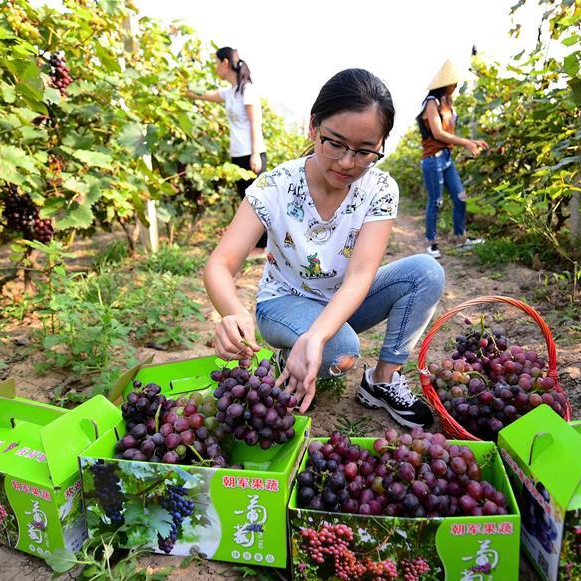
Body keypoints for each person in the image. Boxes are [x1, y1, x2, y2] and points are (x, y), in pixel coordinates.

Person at [203, 68, 444, 429]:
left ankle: (381, 380)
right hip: (284, 301)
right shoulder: (276, 187)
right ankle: (286, 360)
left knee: (426, 272)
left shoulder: (379, 189)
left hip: (344, 299)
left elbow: (362, 274)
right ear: (313, 127)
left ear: (381, 147)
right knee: (341, 352)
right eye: (335, 143)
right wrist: (232, 311)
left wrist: (316, 334)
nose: (347, 163)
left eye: (365, 152)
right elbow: (221, 263)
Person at [187, 47, 268, 253]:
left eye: (216, 62)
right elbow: (205, 95)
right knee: (246, 200)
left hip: (252, 154)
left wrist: (256, 154)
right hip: (238, 154)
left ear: (225, 63)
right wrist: (184, 89)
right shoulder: (230, 92)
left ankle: (268, 245)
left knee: (258, 200)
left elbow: (255, 123)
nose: (215, 67)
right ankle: (259, 245)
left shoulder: (247, 91)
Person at [417, 59, 488, 259]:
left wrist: (471, 141)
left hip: (447, 158)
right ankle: (431, 244)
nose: (456, 86)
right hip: (432, 159)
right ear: (444, 83)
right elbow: (438, 133)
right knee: (436, 201)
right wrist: (466, 142)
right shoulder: (432, 103)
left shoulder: (449, 103)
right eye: (453, 82)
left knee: (460, 197)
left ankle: (461, 238)